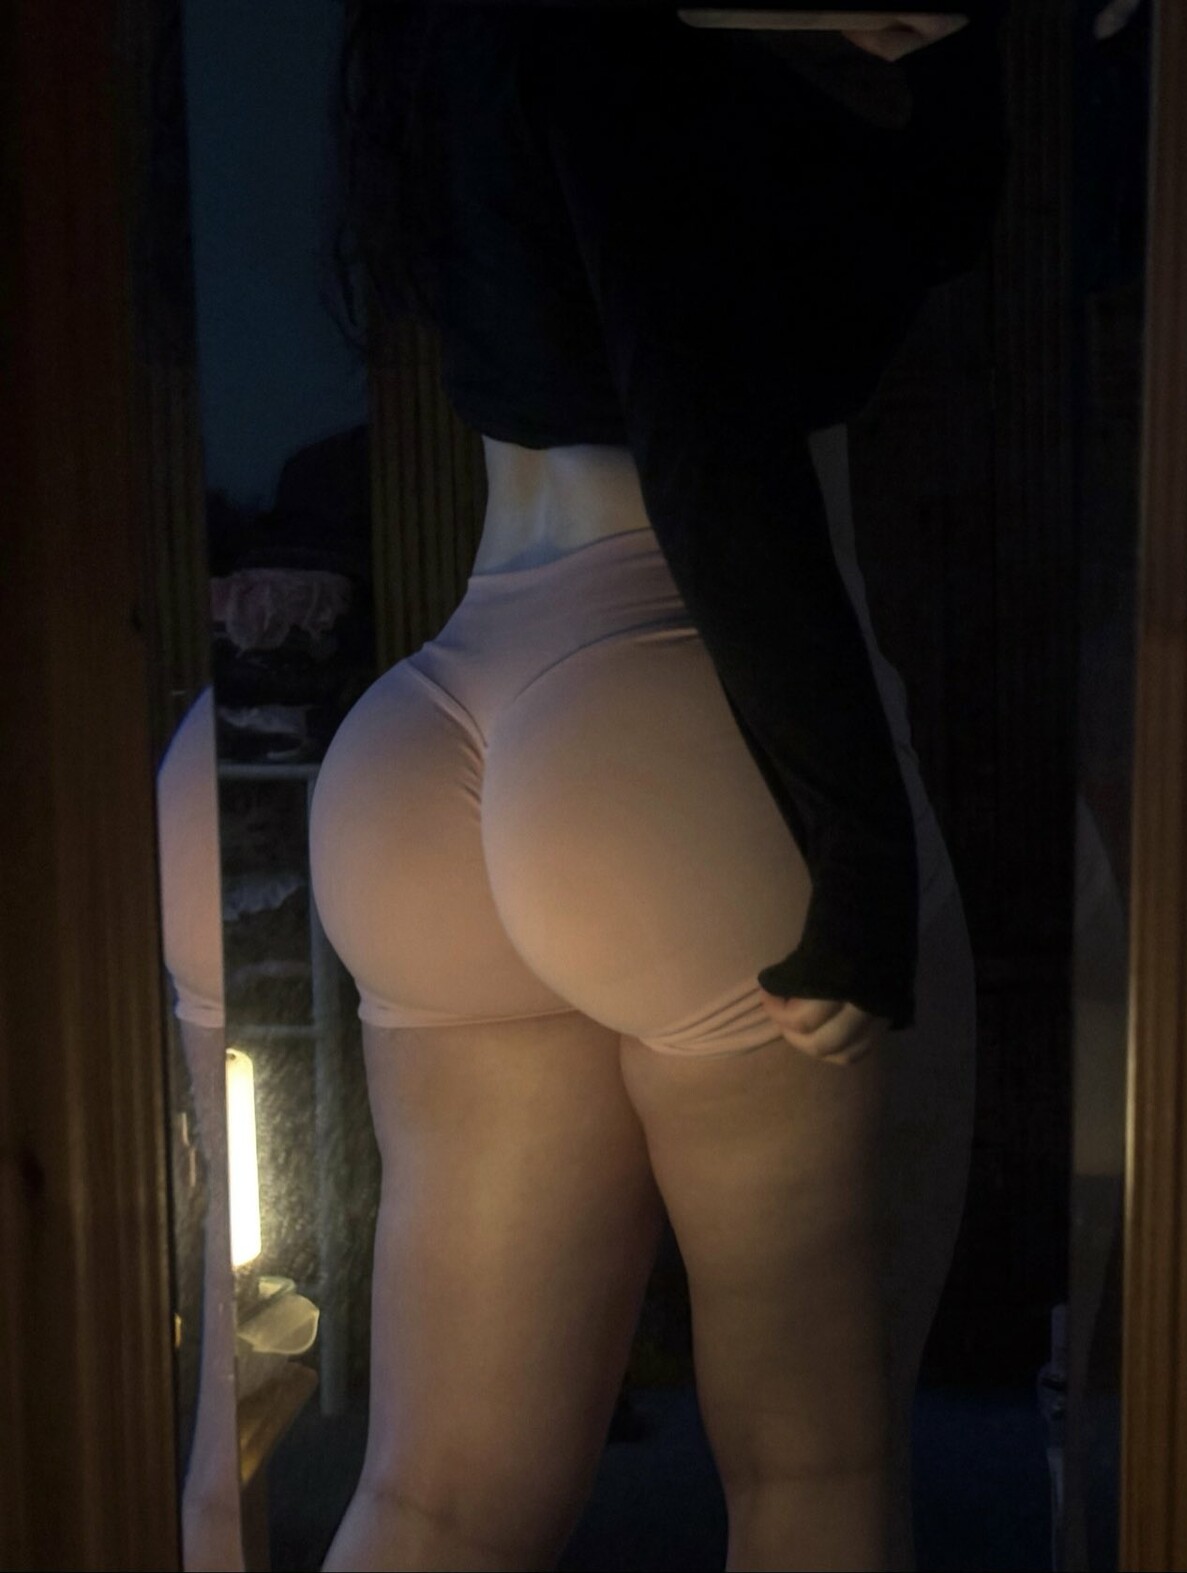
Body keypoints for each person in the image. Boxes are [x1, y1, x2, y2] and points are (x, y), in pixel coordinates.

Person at [299, 4, 1007, 1567]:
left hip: (438, 725)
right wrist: (856, 842)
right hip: (683, 707)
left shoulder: (459, 45)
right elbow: (706, 418)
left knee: (433, 1500)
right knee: (815, 1471)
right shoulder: (655, 53)